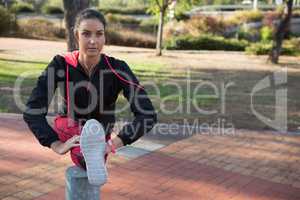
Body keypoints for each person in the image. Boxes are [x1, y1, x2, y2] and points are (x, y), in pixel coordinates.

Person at [23, 8, 157, 186]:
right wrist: (56, 144)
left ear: (105, 37)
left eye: (99, 34)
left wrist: (112, 144)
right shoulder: (60, 64)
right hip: (69, 127)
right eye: (86, 34)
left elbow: (147, 114)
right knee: (81, 144)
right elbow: (33, 111)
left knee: (93, 144)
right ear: (76, 35)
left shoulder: (117, 68)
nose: (93, 41)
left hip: (102, 135)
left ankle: (92, 154)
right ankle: (86, 155)